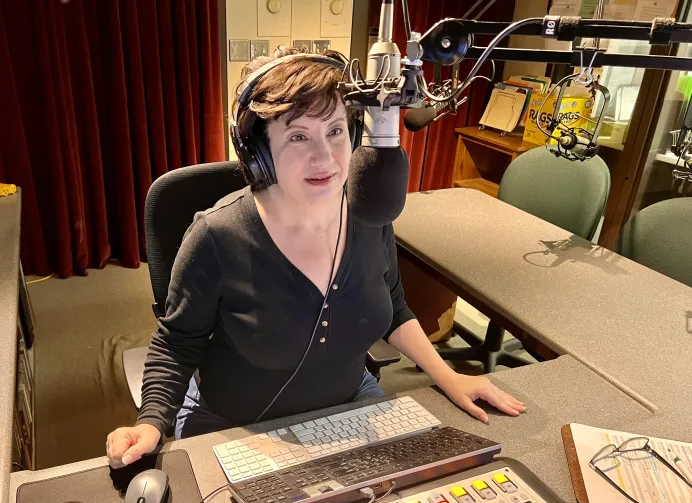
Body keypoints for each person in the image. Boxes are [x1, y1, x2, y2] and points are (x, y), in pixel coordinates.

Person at [107, 47, 524, 468]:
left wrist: (448, 376)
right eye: (298, 136)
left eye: (335, 131)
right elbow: (176, 344)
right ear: (259, 151)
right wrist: (151, 423)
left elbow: (394, 307)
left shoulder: (368, 214)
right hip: (237, 429)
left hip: (348, 409)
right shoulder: (217, 237)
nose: (324, 158)